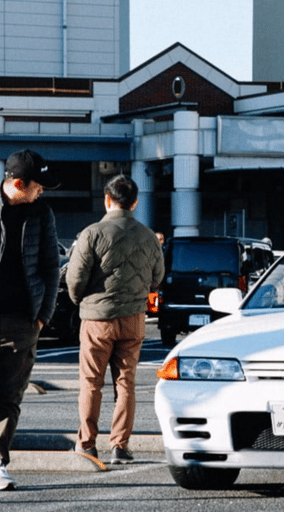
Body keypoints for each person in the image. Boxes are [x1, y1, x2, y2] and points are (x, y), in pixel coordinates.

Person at [66, 174, 164, 464]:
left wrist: (81, 301)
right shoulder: (148, 235)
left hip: (97, 318)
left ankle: (87, 444)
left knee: (91, 382)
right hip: (133, 318)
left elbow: (75, 279)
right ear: (134, 203)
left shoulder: (92, 233)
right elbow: (157, 278)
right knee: (126, 383)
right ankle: (120, 446)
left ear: (107, 200)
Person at [0, 149, 60, 491]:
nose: (42, 192)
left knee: (9, 396)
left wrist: (43, 316)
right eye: (38, 186)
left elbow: (51, 267)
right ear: (18, 183)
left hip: (22, 322)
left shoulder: (42, 213)